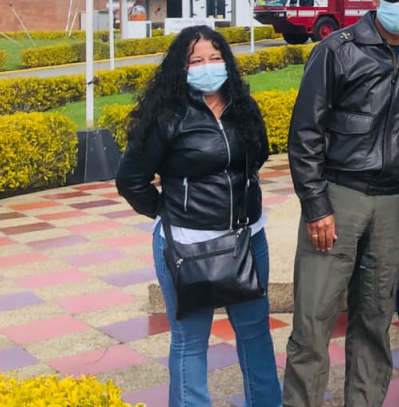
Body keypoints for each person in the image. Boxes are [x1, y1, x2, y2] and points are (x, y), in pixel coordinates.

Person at [284, 0, 399, 407]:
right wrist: (316, 205)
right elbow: (305, 133)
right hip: (340, 196)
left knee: (374, 322)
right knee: (312, 323)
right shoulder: (337, 50)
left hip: (390, 203)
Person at [116, 27, 280, 407]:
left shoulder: (243, 106)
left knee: (255, 331)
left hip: (247, 239)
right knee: (190, 337)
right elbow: (131, 180)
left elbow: (258, 155)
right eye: (196, 61)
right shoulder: (165, 114)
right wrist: (168, 211)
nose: (208, 67)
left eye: (215, 57)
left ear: (227, 60)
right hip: (188, 245)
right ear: (182, 67)